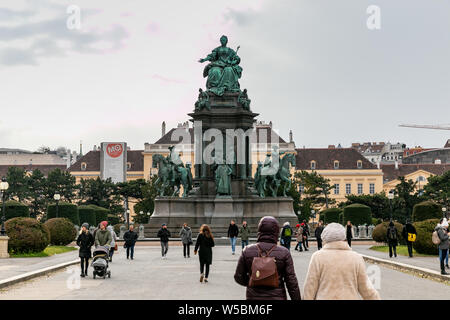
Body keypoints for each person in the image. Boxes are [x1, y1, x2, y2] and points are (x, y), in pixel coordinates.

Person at [303, 223, 380, 300]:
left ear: (325, 239)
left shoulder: (317, 257)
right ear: (343, 238)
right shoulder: (356, 258)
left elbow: (310, 287)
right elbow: (366, 289)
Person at [234, 216, 301, 300]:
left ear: (259, 230)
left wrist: (254, 281)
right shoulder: (284, 253)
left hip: (254, 297)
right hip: (277, 296)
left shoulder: (247, 251)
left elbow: (238, 276)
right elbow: (291, 282)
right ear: (276, 231)